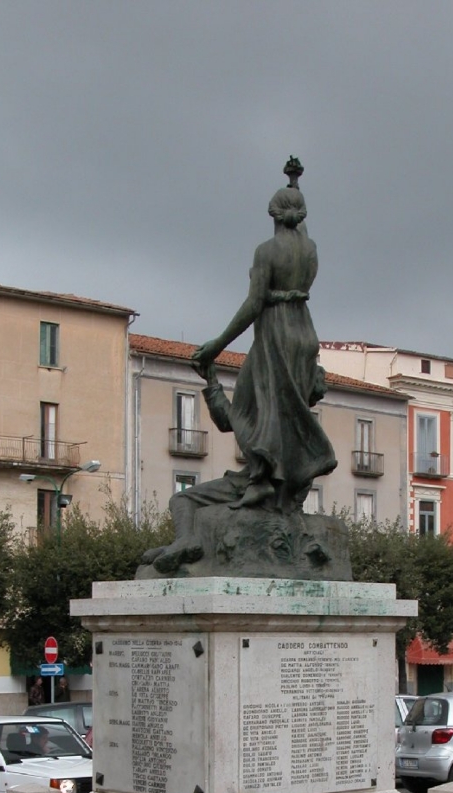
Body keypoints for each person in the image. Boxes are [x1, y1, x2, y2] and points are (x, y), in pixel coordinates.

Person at [143, 158, 336, 574]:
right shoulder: (310, 251)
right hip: (303, 333)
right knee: (285, 411)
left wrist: (216, 345)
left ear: (272, 214)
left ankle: (190, 537)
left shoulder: (266, 252)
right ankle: (191, 541)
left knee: (266, 416)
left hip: (274, 335)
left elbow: (253, 304)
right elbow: (302, 237)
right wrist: (295, 182)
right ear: (300, 216)